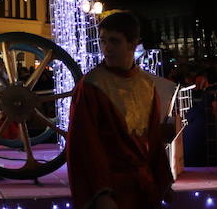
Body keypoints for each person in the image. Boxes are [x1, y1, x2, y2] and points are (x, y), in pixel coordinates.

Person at [66, 11, 172, 209]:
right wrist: (101, 192)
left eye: (114, 41)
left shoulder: (146, 84)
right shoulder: (91, 86)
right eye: (103, 41)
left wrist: (162, 180)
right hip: (112, 188)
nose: (106, 48)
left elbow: (154, 138)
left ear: (132, 44)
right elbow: (84, 144)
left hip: (143, 186)